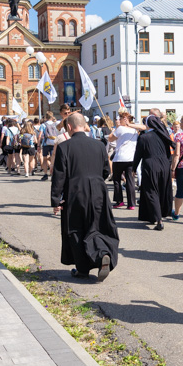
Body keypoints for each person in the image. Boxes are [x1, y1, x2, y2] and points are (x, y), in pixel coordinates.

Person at [51, 113, 119, 282]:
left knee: (76, 228)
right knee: (98, 225)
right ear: (85, 126)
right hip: (98, 191)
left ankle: (82, 269)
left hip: (75, 191)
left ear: (69, 127)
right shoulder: (98, 145)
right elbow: (106, 172)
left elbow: (59, 176)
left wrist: (56, 200)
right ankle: (103, 253)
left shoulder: (64, 146)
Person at [133, 109, 174, 231]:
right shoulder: (164, 135)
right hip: (164, 165)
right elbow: (168, 153)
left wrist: (134, 168)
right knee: (161, 190)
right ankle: (155, 215)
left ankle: (158, 220)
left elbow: (138, 154)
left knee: (151, 192)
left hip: (150, 165)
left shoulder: (144, 137)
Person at [108, 112, 145, 209]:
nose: (118, 120)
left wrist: (116, 128)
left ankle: (119, 201)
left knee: (116, 180)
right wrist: (130, 125)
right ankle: (131, 203)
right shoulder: (135, 130)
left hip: (119, 158)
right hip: (131, 158)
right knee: (130, 181)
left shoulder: (120, 129)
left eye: (120, 119)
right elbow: (143, 127)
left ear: (125, 119)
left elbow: (110, 139)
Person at [40, 111, 59, 180]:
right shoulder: (55, 124)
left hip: (46, 143)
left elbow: (40, 135)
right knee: (52, 159)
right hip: (54, 142)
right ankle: (53, 173)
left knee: (45, 159)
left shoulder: (43, 125)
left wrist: (39, 145)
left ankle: (45, 174)